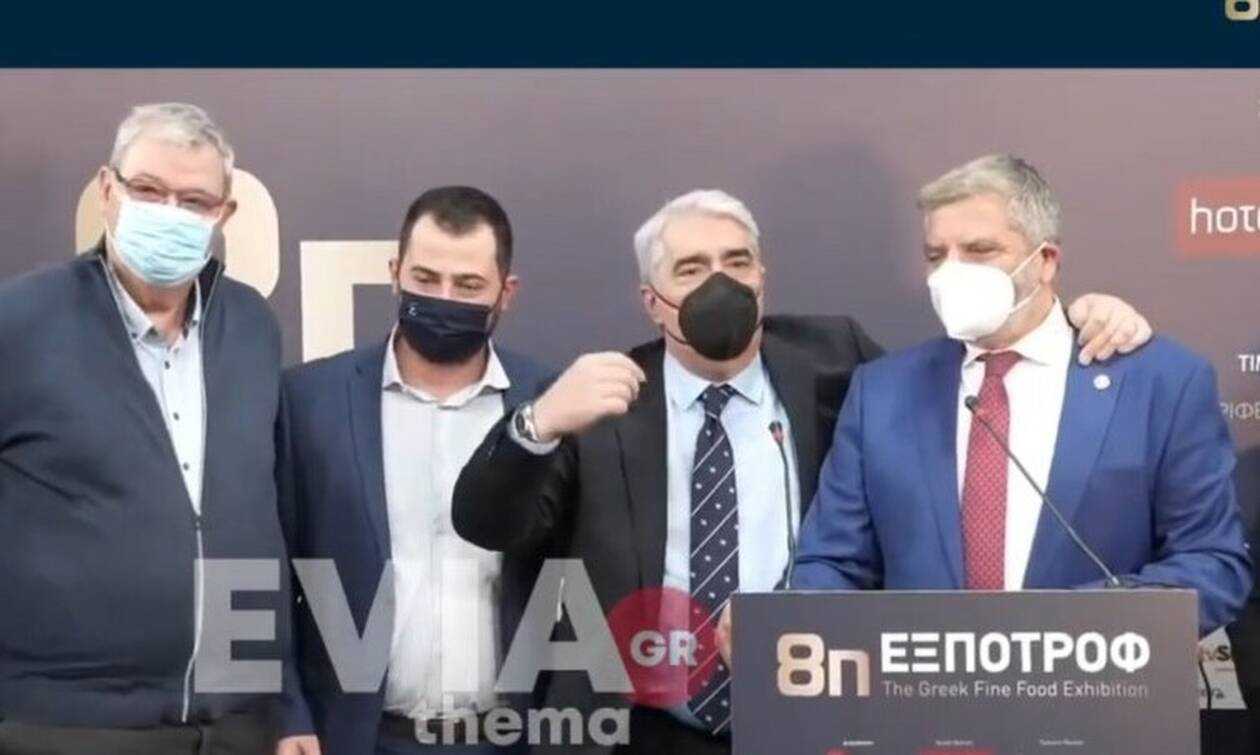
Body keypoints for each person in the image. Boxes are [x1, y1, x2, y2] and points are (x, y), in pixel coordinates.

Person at [452, 188, 1153, 754]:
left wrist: (1073, 320)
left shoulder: (838, 360)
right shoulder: (604, 398)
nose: (719, 283)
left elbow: (976, 386)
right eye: (691, 269)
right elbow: (487, 523)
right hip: (642, 728)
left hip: (815, 719)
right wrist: (535, 424)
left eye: (737, 262)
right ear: (651, 299)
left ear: (763, 277)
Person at [743, 155, 1251, 655]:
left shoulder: (1160, 383)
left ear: (1045, 260)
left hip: (1098, 694)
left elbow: (1211, 563)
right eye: (936, 255)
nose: (951, 273)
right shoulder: (882, 393)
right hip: (919, 698)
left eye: (979, 250)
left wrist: (1060, 634)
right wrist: (788, 622)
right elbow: (831, 564)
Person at [0, 103, 294, 753]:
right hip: (64, 726)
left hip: (235, 723)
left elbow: (262, 513)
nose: (169, 212)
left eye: (194, 201)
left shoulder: (251, 326)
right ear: (108, 190)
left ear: (224, 215)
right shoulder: (19, 321)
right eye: (149, 190)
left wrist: (281, 701)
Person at [276, 187, 551, 755]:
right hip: (355, 738)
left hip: (510, 739)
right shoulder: (308, 400)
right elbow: (268, 569)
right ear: (395, 274)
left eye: (468, 286)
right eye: (426, 279)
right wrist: (288, 714)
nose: (443, 298)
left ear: (506, 293)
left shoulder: (547, 403)